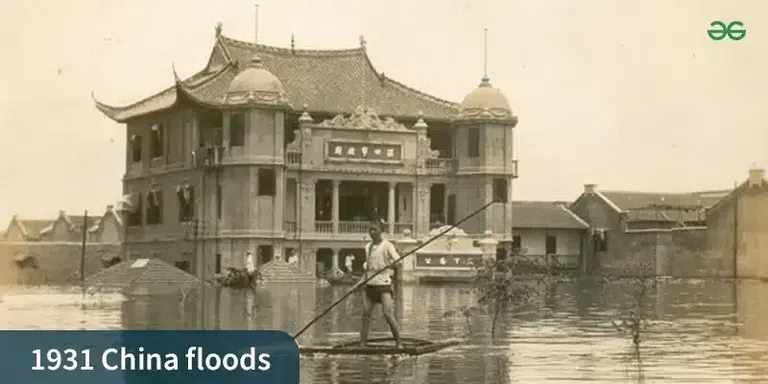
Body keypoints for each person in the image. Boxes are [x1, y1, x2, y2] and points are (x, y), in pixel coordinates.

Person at [356, 223, 402, 348]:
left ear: (381, 231)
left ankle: (399, 343)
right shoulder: (368, 247)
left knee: (388, 314)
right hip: (370, 285)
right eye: (370, 230)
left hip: (383, 285)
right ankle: (362, 344)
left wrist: (391, 265)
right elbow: (368, 270)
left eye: (375, 230)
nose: (372, 232)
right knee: (365, 315)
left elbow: (399, 262)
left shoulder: (387, 245)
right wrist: (359, 283)